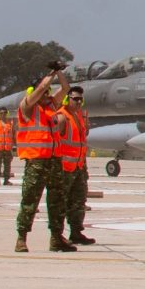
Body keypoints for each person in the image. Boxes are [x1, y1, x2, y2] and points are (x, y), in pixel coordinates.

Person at [12, 74, 68, 252]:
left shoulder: (51, 106)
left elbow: (65, 89)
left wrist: (59, 72)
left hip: (54, 160)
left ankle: (56, 238)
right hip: (36, 161)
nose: (46, 95)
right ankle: (21, 238)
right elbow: (42, 87)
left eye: (47, 93)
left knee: (57, 201)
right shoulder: (27, 106)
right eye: (43, 92)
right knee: (30, 200)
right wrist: (51, 74)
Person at [54, 88, 95, 247]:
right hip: (64, 168)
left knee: (79, 200)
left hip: (78, 166)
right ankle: (57, 236)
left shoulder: (78, 116)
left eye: (80, 99)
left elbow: (82, 138)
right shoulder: (62, 116)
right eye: (75, 99)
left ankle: (76, 232)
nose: (78, 102)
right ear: (67, 99)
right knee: (61, 202)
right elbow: (54, 139)